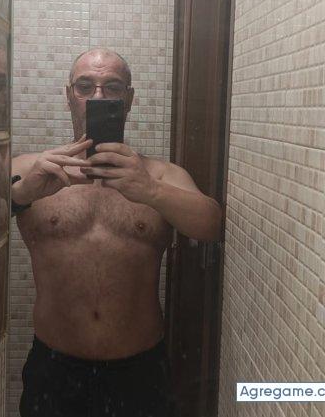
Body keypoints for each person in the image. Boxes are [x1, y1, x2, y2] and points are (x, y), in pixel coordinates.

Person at [12, 48, 222, 417]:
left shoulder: (160, 176)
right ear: (68, 95)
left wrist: (150, 192)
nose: (97, 97)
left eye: (112, 88)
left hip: (140, 371)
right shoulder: (31, 170)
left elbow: (212, 224)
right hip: (54, 371)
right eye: (85, 87)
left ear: (129, 99)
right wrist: (22, 194)